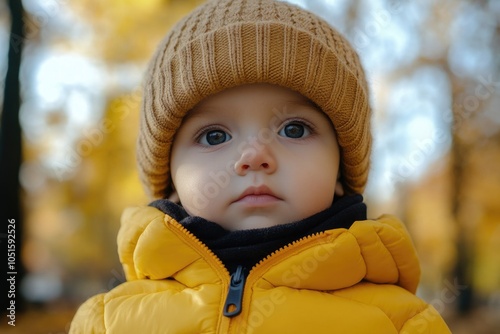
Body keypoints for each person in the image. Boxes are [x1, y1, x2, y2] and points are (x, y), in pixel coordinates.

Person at [69, 0, 451, 332]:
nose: (254, 155)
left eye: (294, 128)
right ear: (169, 180)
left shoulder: (402, 324)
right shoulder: (107, 322)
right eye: (214, 136)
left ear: (340, 170)